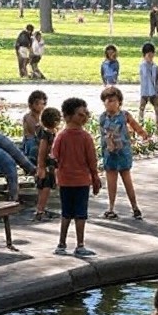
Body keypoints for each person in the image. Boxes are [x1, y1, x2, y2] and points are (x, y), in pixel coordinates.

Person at [51, 97, 101, 257]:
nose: (84, 117)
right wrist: (95, 177)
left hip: (66, 181)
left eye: (85, 114)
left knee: (67, 213)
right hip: (80, 181)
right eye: (80, 115)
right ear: (68, 116)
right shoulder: (85, 137)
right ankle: (79, 245)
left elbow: (54, 156)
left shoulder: (61, 136)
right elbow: (92, 160)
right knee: (79, 213)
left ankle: (62, 244)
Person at [98, 86, 150, 220]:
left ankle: (135, 207)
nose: (110, 103)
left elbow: (135, 125)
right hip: (109, 153)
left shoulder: (124, 115)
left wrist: (142, 133)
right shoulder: (103, 118)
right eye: (107, 101)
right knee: (111, 181)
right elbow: (103, 134)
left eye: (113, 101)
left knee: (127, 180)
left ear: (119, 102)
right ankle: (111, 207)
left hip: (123, 153)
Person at [33, 106, 62, 221]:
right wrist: (41, 167)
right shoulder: (46, 135)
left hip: (52, 165)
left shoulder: (53, 133)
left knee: (46, 186)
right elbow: (42, 151)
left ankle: (41, 209)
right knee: (45, 187)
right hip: (46, 165)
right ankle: (40, 210)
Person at [138, 41, 158, 133]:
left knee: (156, 108)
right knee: (141, 108)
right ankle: (140, 124)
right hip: (144, 91)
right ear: (144, 55)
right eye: (148, 55)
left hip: (153, 91)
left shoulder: (155, 67)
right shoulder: (142, 66)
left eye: (152, 55)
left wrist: (156, 89)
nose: (150, 58)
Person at [21, 90, 46, 163]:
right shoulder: (28, 117)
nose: (41, 106)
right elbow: (33, 131)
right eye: (37, 104)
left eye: (43, 104)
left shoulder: (44, 116)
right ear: (31, 105)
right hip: (30, 141)